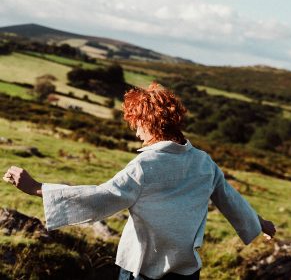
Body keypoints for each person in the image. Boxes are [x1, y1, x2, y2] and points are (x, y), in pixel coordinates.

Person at [3, 83, 276, 280]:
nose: (136, 132)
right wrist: (259, 223)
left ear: (150, 122)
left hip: (142, 272)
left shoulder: (144, 166)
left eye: (136, 123)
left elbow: (101, 197)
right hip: (188, 271)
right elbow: (230, 200)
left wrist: (36, 187)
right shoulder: (204, 162)